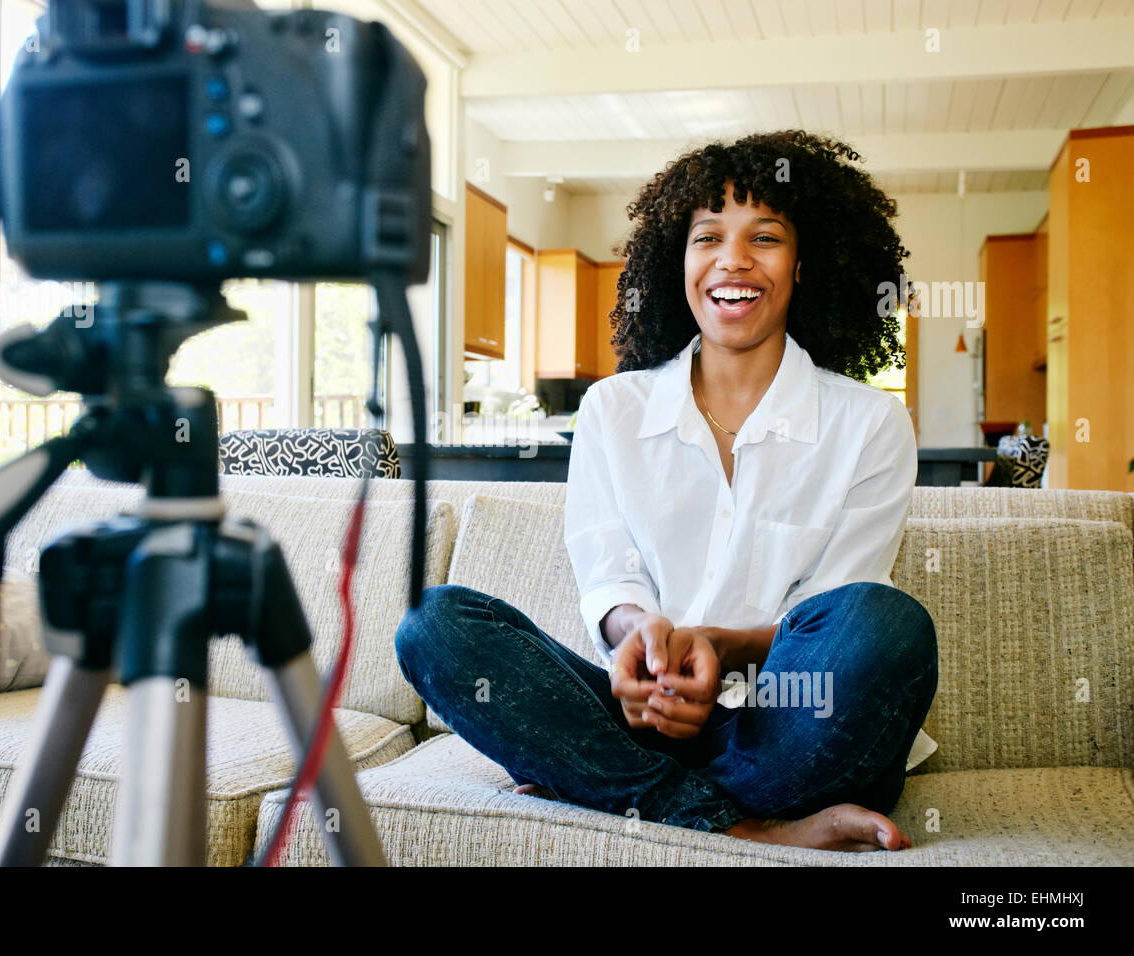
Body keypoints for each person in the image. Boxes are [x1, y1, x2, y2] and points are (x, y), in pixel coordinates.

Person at [395, 130, 937, 852]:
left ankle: (607, 785)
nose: (732, 259)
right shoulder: (612, 411)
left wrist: (716, 647)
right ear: (677, 261)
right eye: (707, 236)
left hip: (782, 726)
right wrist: (638, 643)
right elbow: (609, 574)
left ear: (806, 263)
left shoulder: (871, 424)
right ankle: (740, 826)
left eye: (765, 237)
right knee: (433, 623)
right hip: (636, 715)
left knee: (888, 624)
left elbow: (832, 623)